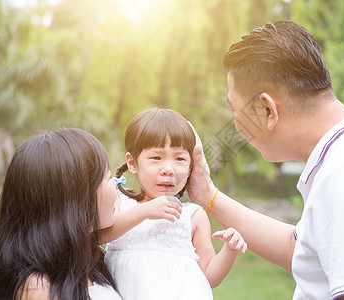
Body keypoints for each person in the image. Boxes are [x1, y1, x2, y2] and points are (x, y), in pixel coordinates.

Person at [187, 20, 344, 299]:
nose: (236, 127)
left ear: (268, 109)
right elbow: (300, 252)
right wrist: (208, 195)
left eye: (236, 110)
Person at [103, 108, 247, 300]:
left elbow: (209, 276)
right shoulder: (121, 203)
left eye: (179, 159)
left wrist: (230, 250)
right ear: (132, 163)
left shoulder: (193, 216)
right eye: (156, 158)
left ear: (190, 168)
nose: (169, 169)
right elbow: (99, 235)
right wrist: (145, 211)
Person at [0, 128, 122, 300]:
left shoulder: (92, 259)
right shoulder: (38, 289)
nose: (115, 188)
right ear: (77, 199)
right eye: (108, 179)